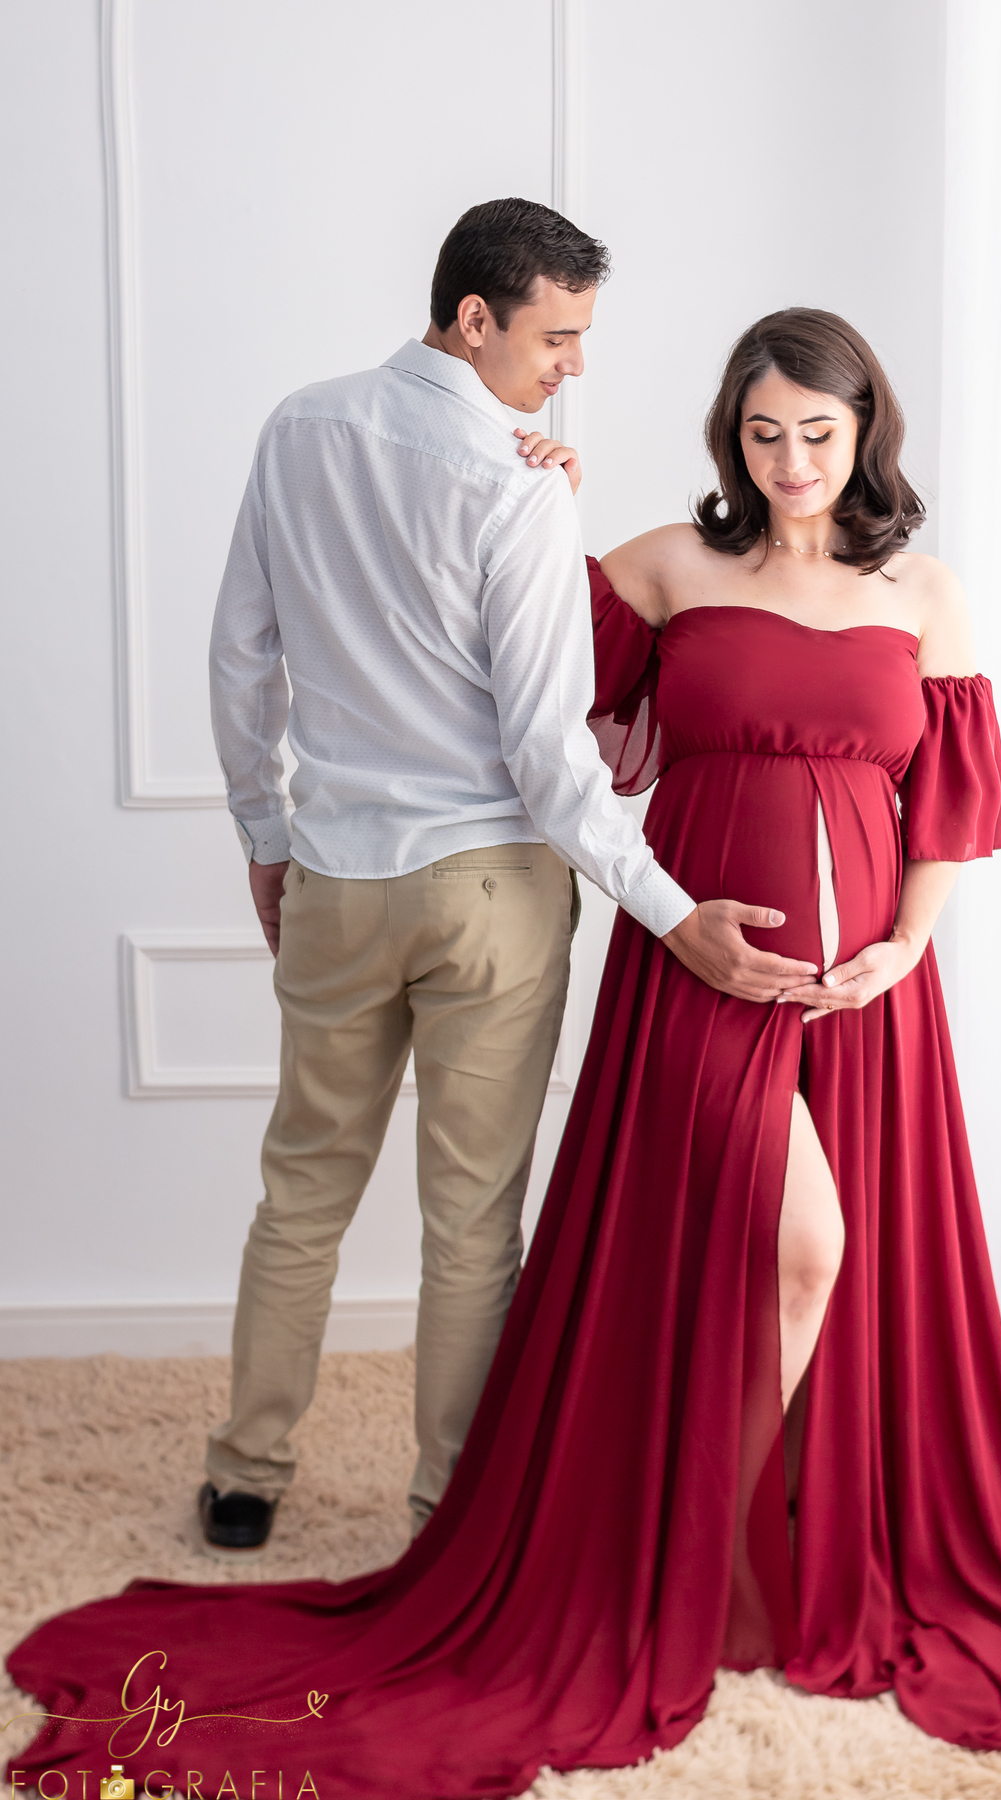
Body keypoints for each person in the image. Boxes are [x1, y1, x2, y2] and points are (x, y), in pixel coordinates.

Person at [8, 309, 1001, 1797]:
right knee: (796, 1244)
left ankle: (779, 1528)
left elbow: (950, 801)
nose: (792, 462)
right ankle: (708, 1542)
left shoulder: (926, 595)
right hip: (698, 964)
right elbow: (476, 640)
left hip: (865, 994)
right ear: (731, 440)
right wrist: (525, 487)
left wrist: (908, 945)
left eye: (819, 434)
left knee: (819, 1257)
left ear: (866, 430)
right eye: (763, 434)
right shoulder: (664, 566)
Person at [197, 199, 815, 1558]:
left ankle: (244, 1481)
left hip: (339, 876)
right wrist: (668, 910)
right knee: (471, 1217)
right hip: (491, 891)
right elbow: (549, 755)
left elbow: (243, 657)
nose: (574, 366)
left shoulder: (300, 428)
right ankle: (443, 1508)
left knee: (302, 1187)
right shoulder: (520, 482)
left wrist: (264, 835)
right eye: (558, 335)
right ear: (474, 317)